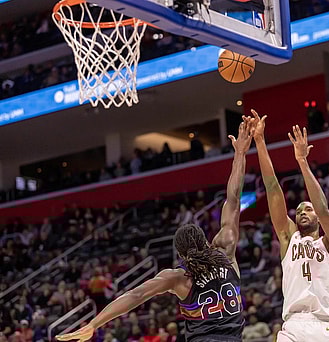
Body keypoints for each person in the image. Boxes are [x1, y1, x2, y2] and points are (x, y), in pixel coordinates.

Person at [56, 117, 253, 342]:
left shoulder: (179, 277)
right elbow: (234, 199)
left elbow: (135, 294)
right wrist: (240, 154)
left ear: (180, 255)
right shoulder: (225, 251)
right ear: (207, 241)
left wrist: (94, 323)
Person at [250, 109, 329, 342]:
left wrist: (302, 161)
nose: (303, 211)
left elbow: (322, 208)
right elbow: (272, 186)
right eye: (299, 210)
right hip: (292, 325)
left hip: (324, 326)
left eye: (307, 209)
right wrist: (260, 142)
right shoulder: (288, 238)